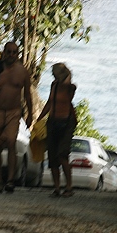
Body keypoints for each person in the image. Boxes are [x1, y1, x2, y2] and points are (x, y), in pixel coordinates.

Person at [0, 41, 33, 193]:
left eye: (14, 52)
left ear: (18, 54)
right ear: (4, 52)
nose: (11, 55)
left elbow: (27, 94)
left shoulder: (22, 72)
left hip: (14, 112)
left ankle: (10, 181)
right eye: (9, 52)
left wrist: (30, 115)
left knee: (11, 142)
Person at [37, 63, 77, 197]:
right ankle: (57, 187)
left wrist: (66, 75)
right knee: (53, 156)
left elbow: (68, 86)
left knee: (62, 155)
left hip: (66, 123)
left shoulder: (69, 88)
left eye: (55, 73)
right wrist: (39, 118)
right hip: (53, 122)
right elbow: (49, 102)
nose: (53, 75)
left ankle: (69, 187)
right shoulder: (54, 85)